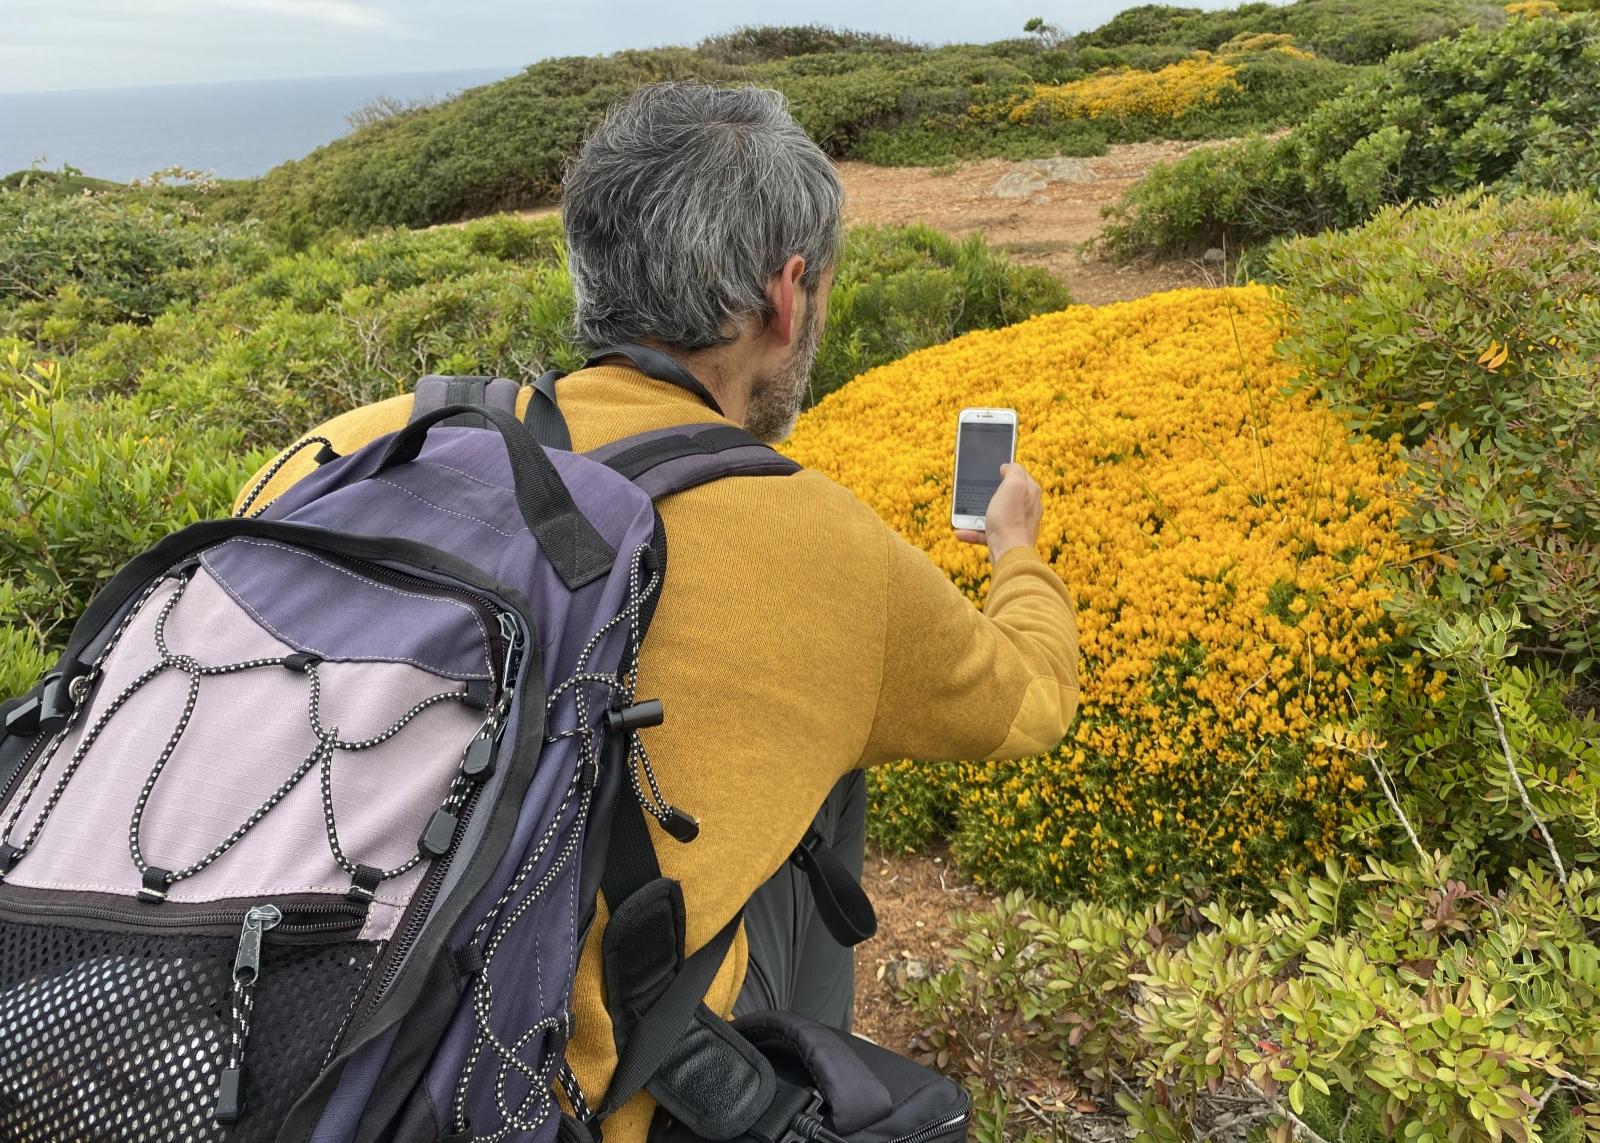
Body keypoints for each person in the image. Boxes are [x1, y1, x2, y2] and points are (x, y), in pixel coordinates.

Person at [239, 81, 1079, 1143]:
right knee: (821, 772)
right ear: (787, 295)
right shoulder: (817, 543)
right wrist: (1015, 548)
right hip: (509, 1104)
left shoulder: (337, 452)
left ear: (589, 269)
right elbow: (1032, 702)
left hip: (229, 1034)